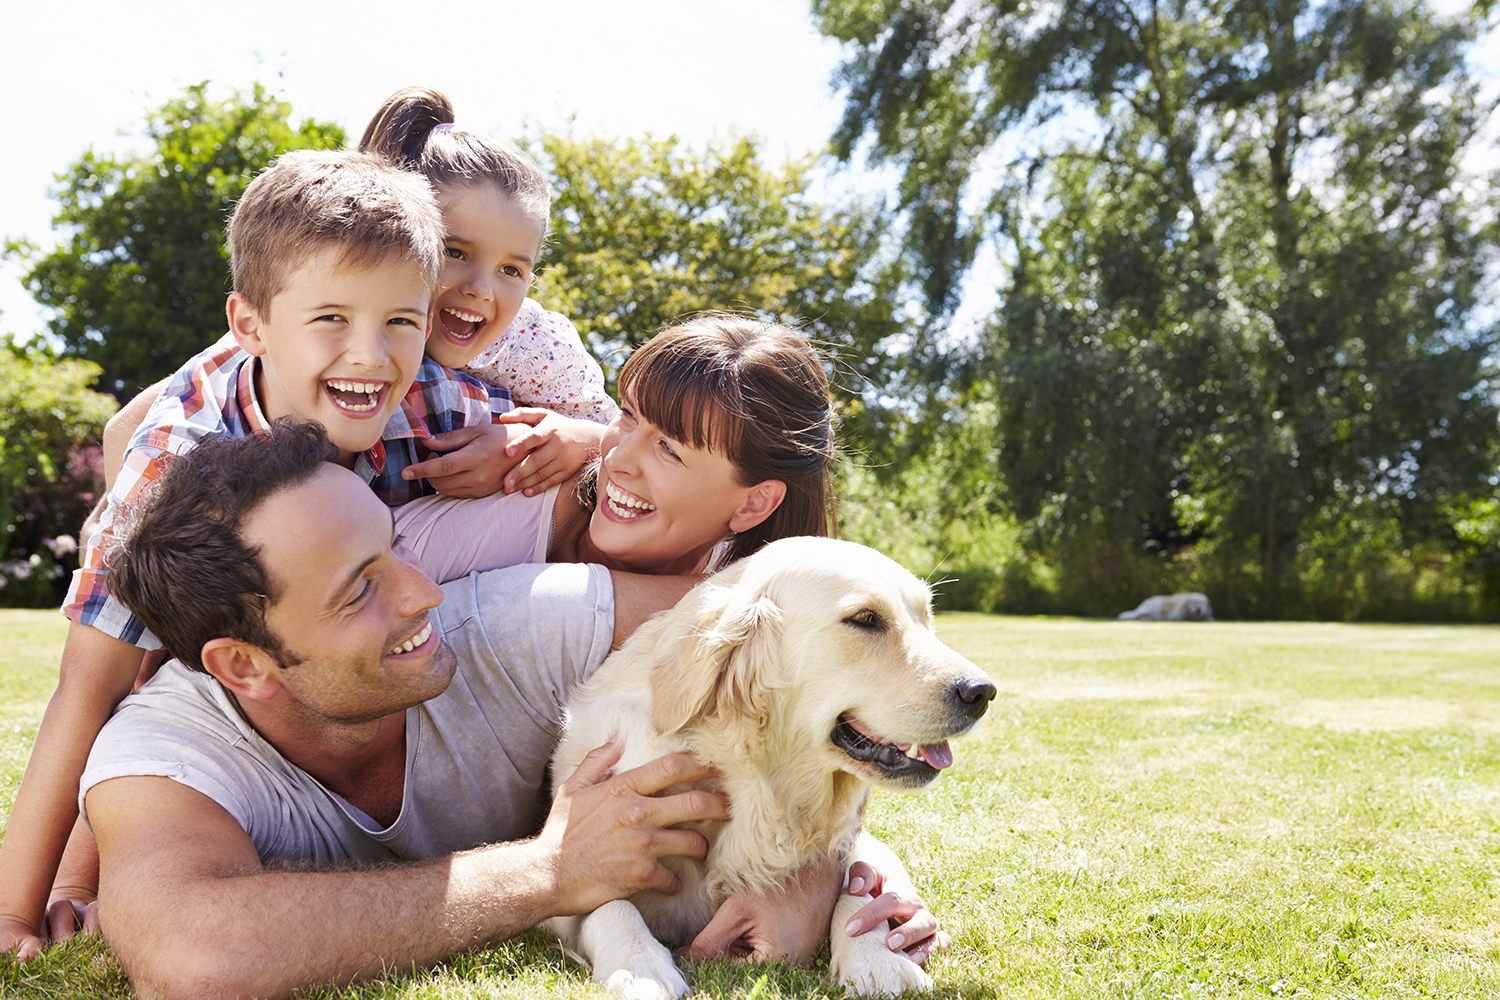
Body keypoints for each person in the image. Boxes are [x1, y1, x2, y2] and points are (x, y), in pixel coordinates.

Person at [81, 421, 934, 997]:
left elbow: (802, 655)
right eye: (359, 592)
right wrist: (546, 872)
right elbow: (192, 955)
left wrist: (821, 876)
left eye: (395, 549)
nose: (424, 594)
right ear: (245, 664)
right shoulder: (165, 751)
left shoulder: (525, 617)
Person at [0, 148, 544, 960]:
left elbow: (590, 469)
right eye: (332, 319)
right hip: (231, 602)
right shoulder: (177, 459)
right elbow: (94, 683)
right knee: (157, 659)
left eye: (400, 321)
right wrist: (30, 904)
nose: (371, 356)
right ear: (250, 324)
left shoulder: (433, 393)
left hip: (353, 606)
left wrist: (576, 441)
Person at [359, 86, 618, 500]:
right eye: (455, 252)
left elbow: (612, 436)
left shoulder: (534, 342)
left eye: (511, 269)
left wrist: (540, 442)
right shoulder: (339, 306)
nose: (480, 289)